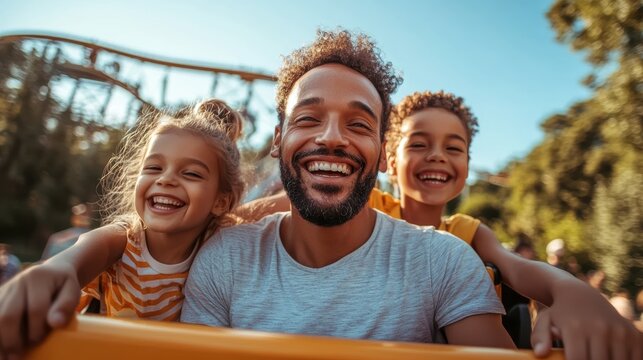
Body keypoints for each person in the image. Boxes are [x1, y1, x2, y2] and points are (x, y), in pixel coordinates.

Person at [241, 89, 643, 359]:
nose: (437, 156)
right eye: (418, 144)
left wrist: (570, 289)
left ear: (467, 167)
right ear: (388, 160)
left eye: (454, 148)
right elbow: (257, 213)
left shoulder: (466, 232)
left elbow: (519, 268)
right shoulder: (363, 207)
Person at [181, 29, 513, 348]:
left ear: (383, 153)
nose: (331, 138)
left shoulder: (445, 262)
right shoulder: (223, 260)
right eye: (308, 118)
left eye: (358, 124)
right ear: (278, 140)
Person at [0, 99, 245, 352]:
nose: (165, 179)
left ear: (221, 200)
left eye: (191, 173)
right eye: (153, 167)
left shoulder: (222, 247)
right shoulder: (123, 239)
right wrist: (54, 271)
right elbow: (82, 255)